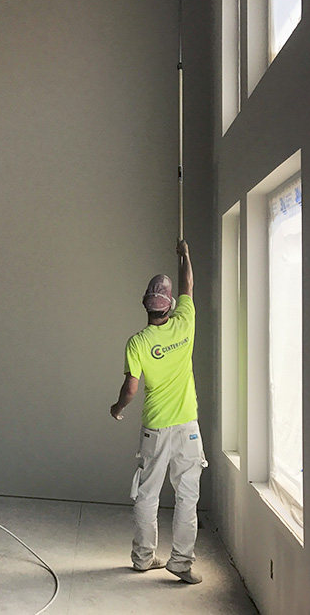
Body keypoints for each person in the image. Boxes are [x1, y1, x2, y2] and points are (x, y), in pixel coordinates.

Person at [110, 239, 206, 585]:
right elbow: (188, 286)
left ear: (146, 306)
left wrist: (117, 408)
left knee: (148, 495)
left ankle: (143, 557)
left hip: (155, 428)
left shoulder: (137, 342)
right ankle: (180, 564)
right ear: (169, 307)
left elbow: (131, 389)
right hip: (187, 428)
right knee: (187, 497)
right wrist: (185, 256)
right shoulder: (185, 322)